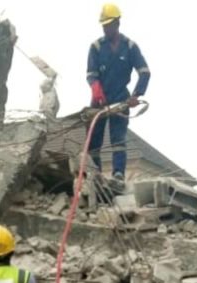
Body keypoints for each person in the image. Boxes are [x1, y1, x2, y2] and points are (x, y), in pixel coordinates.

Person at [86, 3, 151, 184]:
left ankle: (118, 174)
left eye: (108, 24)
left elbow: (145, 72)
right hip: (98, 103)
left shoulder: (130, 47)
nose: (105, 28)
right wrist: (96, 89)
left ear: (117, 23)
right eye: (103, 25)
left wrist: (136, 95)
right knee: (94, 142)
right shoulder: (96, 47)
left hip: (121, 100)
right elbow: (91, 74)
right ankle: (95, 175)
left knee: (118, 139)